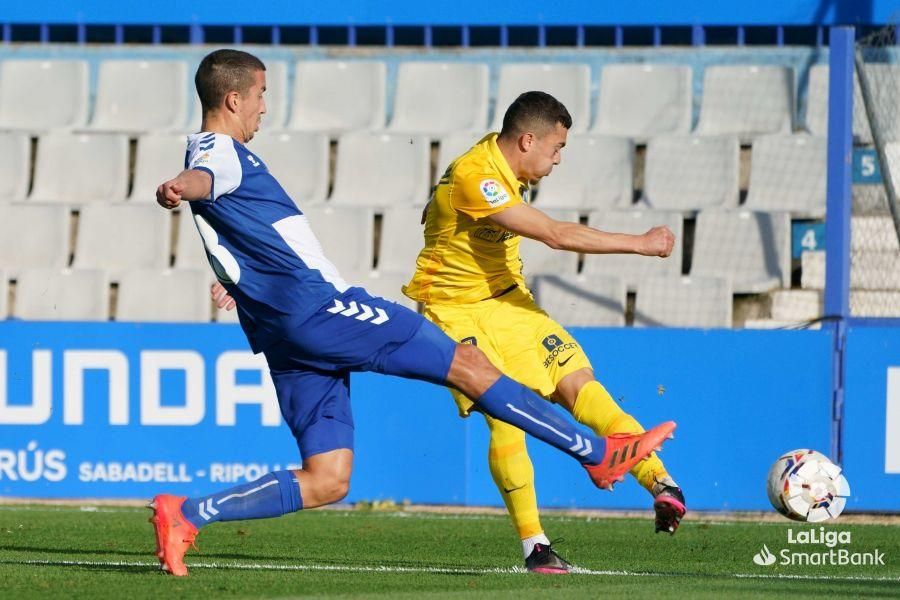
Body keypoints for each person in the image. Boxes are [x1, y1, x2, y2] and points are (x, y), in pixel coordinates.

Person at [149, 49, 676, 577]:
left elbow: (233, 228)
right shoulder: (218, 152)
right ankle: (595, 453)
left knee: (329, 478)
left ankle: (189, 513)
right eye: (261, 95)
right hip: (321, 309)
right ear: (234, 97)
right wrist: (180, 186)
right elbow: (203, 179)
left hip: (281, 328)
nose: (264, 107)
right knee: (472, 368)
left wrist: (240, 284)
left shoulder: (217, 154)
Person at [401, 91, 687, 574]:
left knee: (580, 384)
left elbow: (438, 213)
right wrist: (639, 244)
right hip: (456, 312)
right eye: (556, 149)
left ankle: (662, 484)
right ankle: (535, 545)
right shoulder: (478, 175)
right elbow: (553, 234)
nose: (557, 161)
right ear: (528, 139)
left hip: (512, 303)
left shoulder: (506, 166)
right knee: (505, 414)